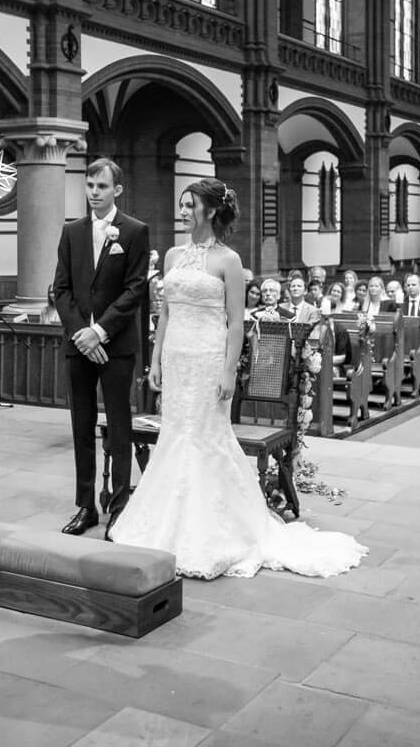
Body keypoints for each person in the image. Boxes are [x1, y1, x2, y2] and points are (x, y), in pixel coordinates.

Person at [109, 178, 368, 578]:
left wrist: (229, 370)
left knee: (205, 437)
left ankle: (214, 530)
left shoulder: (228, 260)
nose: (182, 211)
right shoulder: (174, 256)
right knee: (176, 434)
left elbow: (234, 322)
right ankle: (167, 524)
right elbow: (165, 313)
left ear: (210, 211)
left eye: (189, 205)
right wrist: (156, 358)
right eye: (181, 204)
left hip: (209, 358)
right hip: (177, 357)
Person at [52, 157, 151, 538]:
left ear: (117, 190)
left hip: (115, 344)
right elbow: (60, 289)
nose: (94, 193)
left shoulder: (134, 231)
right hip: (79, 344)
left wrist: (101, 332)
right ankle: (85, 506)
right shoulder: (72, 232)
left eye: (102, 187)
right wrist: (81, 333)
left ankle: (120, 509)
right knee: (81, 425)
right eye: (90, 186)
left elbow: (135, 289)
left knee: (119, 427)